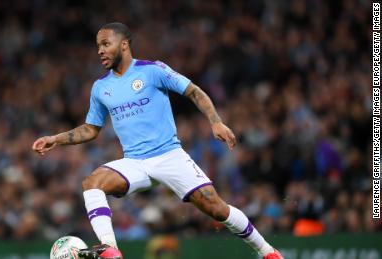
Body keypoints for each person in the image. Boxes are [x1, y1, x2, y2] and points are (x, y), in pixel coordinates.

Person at [32, 22, 283, 259]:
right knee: (91, 183)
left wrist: (215, 121)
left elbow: (193, 91)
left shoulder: (153, 70)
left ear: (124, 44)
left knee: (217, 209)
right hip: (135, 162)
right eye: (98, 45)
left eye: (105, 43)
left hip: (169, 156)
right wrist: (57, 139)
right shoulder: (100, 88)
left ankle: (267, 251)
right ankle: (110, 249)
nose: (100, 50)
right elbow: (91, 129)